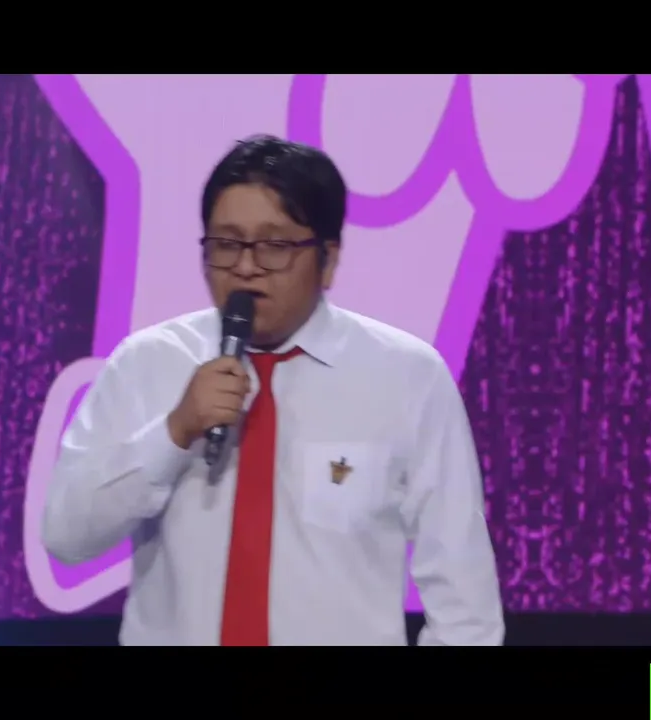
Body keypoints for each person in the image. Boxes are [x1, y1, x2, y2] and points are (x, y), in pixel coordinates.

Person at [42, 135, 504, 646]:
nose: (246, 266)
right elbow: (66, 536)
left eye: (275, 246)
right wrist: (173, 433)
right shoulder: (145, 364)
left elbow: (465, 604)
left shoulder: (408, 377)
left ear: (328, 259)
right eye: (227, 244)